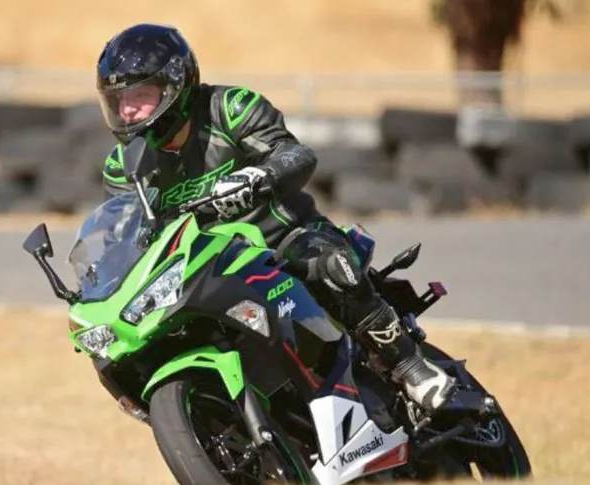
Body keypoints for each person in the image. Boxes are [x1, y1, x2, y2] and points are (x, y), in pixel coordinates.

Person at [95, 23, 455, 415]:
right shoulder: (123, 167)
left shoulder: (228, 108)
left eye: (141, 96)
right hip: (205, 268)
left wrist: (260, 176)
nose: (127, 110)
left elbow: (295, 154)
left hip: (283, 239)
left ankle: (411, 366)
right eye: (119, 100)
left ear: (175, 86)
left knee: (328, 264)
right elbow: (124, 238)